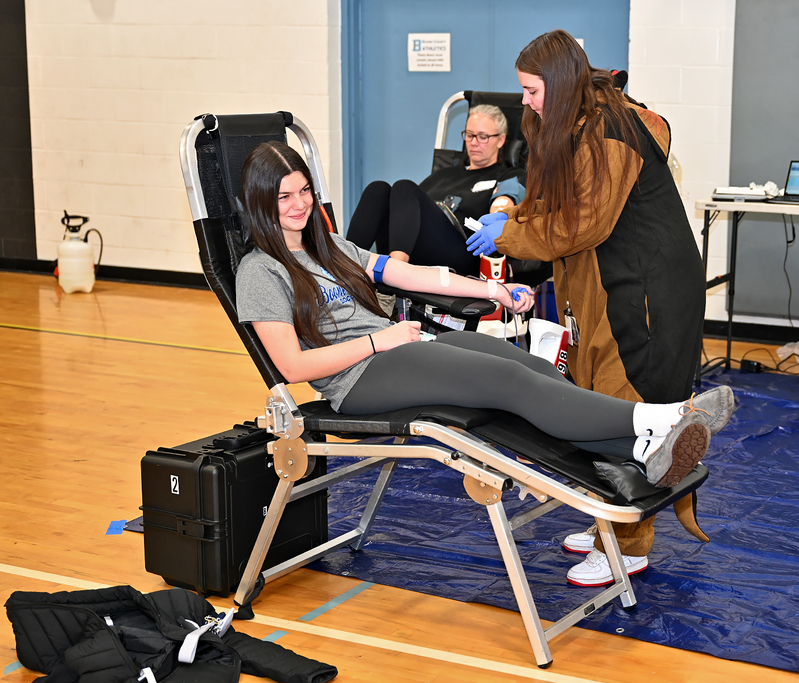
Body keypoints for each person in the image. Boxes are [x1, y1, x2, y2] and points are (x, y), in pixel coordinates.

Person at [233, 141, 727, 513]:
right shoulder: (260, 270)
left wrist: (490, 290)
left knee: (525, 365)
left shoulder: (329, 246)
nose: (298, 205)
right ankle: (658, 418)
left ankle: (639, 451)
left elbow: (411, 273)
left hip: (394, 352)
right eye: (283, 197)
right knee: (506, 383)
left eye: (304, 192)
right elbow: (293, 367)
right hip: (355, 379)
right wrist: (377, 340)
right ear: (259, 201)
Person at [466, 30, 733, 586]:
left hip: (643, 290)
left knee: (625, 405)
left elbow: (577, 223)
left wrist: (510, 235)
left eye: (532, 91)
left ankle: (628, 541)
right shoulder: (571, 122)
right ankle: (604, 515)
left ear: (560, 86)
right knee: (589, 396)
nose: (525, 102)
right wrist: (514, 211)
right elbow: (556, 196)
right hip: (598, 283)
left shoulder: (611, 130)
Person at [346, 105, 527, 277]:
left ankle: (395, 273)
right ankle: (343, 269)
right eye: (469, 135)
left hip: (466, 253)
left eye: (482, 136)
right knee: (378, 189)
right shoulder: (443, 174)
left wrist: (498, 215)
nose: (474, 142)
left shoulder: (507, 174)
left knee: (404, 187)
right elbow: (409, 210)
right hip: (416, 247)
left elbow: (504, 203)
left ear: (501, 140)